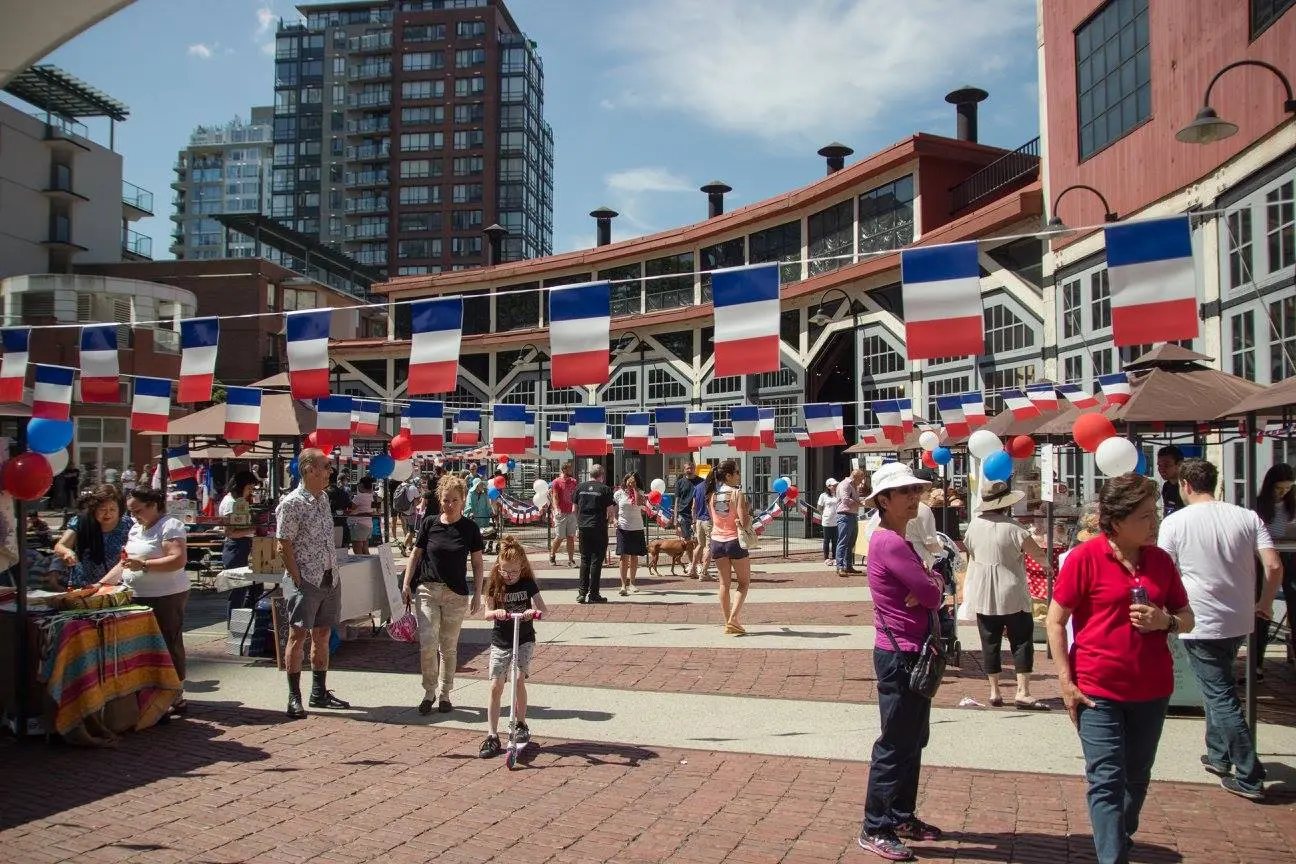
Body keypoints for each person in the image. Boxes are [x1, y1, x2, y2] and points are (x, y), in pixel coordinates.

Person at [1046, 473, 1194, 864]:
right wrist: (1065, 678)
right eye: (1145, 516)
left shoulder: (1160, 561)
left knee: (1137, 777)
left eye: (1155, 513)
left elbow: (1187, 616)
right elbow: (1055, 620)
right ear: (1117, 520)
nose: (1155, 522)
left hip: (1152, 687)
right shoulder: (1085, 558)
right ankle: (1112, 856)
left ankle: (1118, 834)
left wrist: (1167, 622)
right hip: (1097, 689)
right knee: (1106, 779)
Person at [1159, 458, 1281, 801]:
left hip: (1199, 617)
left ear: (1185, 484)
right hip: (1239, 616)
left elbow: (1164, 570)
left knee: (1219, 693)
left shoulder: (1176, 522)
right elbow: (1273, 565)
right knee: (1219, 685)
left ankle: (1248, 771)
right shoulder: (1246, 516)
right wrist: (1266, 602)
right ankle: (1218, 754)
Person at [857, 463, 944, 861]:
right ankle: (875, 825)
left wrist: (932, 584)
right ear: (883, 501)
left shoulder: (898, 537)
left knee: (912, 739)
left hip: (913, 649)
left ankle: (901, 814)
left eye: (915, 490)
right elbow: (930, 593)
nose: (913, 497)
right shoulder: (889, 542)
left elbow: (933, 586)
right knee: (895, 742)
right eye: (904, 491)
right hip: (900, 653)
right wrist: (932, 585)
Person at [99, 487, 191, 713]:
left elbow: (177, 559)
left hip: (166, 596)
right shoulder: (136, 528)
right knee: (141, 646)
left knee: (167, 642)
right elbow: (125, 562)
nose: (134, 516)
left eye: (138, 511)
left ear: (153, 505)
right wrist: (102, 585)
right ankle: (150, 691)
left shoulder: (170, 525)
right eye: (131, 512)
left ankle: (175, 693)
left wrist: (145, 565)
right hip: (136, 595)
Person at [962, 480, 1052, 710]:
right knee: (1021, 640)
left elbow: (970, 551)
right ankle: (1023, 691)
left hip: (983, 590)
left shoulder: (974, 526)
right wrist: (1047, 566)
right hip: (1011, 589)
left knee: (989, 641)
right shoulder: (1014, 528)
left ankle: (994, 690)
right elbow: (1038, 555)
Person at [402, 473, 485, 715]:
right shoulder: (429, 523)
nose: (449, 505)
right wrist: (407, 583)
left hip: (456, 594)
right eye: (446, 500)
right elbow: (415, 555)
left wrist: (479, 593)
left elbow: (478, 563)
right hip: (428, 590)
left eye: (454, 500)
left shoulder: (470, 528)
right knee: (428, 642)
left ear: (462, 501)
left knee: (448, 647)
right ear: (440, 499)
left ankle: (445, 693)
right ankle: (429, 692)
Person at [277, 448, 351, 719]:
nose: (330, 471)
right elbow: (283, 544)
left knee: (322, 634)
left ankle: (318, 691)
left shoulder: (322, 499)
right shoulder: (292, 503)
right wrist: (297, 578)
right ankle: (293, 696)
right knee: (297, 636)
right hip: (306, 579)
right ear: (309, 469)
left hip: (329, 577)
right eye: (326, 466)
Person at [478, 535, 549, 758]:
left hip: (524, 638)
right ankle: (491, 734)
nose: (509, 577)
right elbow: (486, 612)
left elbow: (543, 610)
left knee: (518, 679)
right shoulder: (494, 585)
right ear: (498, 567)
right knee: (496, 686)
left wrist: (533, 612)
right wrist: (494, 613)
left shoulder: (528, 584)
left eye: (514, 572)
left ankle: (520, 724)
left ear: (522, 568)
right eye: (505, 571)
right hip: (501, 640)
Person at [1253, 462, 1296, 678]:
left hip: (1290, 557)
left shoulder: (1292, 505)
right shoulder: (1258, 506)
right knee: (1262, 608)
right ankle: (1257, 662)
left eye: (1288, 488)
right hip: (1264, 560)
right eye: (1279, 489)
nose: (1283, 493)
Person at [54, 485, 133, 588]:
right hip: (85, 585)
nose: (107, 513)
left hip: (117, 584)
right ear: (94, 508)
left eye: (112, 509)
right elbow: (60, 546)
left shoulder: (127, 524)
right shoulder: (81, 522)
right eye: (103, 509)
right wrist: (67, 552)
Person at [706, 459, 753, 635]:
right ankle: (733, 619)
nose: (739, 475)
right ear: (728, 475)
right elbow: (743, 521)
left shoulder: (712, 495)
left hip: (717, 541)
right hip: (734, 541)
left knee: (724, 584)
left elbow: (713, 519)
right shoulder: (736, 494)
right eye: (737, 472)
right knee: (743, 582)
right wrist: (747, 509)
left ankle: (728, 622)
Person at [575, 464, 615, 603]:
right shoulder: (605, 489)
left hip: (583, 526)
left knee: (585, 559)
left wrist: (579, 523)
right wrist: (609, 521)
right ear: (602, 475)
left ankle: (582, 593)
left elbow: (575, 508)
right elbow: (610, 511)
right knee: (596, 561)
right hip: (598, 526)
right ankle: (594, 593)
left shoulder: (580, 488)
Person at [219, 470, 259, 569]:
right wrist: (251, 530)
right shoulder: (231, 503)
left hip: (240, 547)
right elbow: (229, 533)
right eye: (249, 488)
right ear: (240, 487)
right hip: (235, 548)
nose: (250, 492)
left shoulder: (237, 501)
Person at [614, 473, 647, 595]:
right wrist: (614, 519)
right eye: (629, 481)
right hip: (623, 527)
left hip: (636, 527)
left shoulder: (641, 492)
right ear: (625, 480)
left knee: (634, 556)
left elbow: (638, 503)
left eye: (633, 482)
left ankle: (632, 583)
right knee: (624, 556)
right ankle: (623, 585)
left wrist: (635, 489)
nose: (630, 483)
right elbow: (615, 509)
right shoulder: (619, 493)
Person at [548, 461, 579, 567]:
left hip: (571, 512)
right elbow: (555, 496)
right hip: (561, 512)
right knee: (560, 536)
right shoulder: (556, 482)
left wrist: (576, 508)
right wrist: (556, 509)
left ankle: (571, 560)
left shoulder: (574, 481)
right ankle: (552, 555)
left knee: (570, 536)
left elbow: (575, 496)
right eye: (570, 468)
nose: (571, 470)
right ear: (564, 469)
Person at [835, 468, 865, 576]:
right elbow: (845, 500)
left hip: (852, 515)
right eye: (860, 479)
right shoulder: (845, 484)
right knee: (843, 542)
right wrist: (859, 503)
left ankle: (848, 565)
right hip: (844, 515)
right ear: (855, 477)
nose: (861, 482)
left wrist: (860, 501)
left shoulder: (853, 486)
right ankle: (840, 567)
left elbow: (853, 500)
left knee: (851, 542)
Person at [690, 472, 715, 580]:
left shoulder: (698, 487)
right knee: (708, 547)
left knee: (700, 545)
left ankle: (692, 569)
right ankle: (704, 573)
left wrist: (694, 521)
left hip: (699, 520)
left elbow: (693, 506)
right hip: (709, 520)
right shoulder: (713, 488)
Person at [348, 476, 376, 555]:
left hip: (359, 524)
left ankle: (360, 565)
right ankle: (368, 565)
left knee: (357, 548)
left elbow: (352, 508)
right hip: (368, 525)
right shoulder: (371, 496)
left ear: (361, 486)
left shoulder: (358, 497)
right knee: (365, 548)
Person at [1156, 445, 1185, 517]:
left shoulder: (1187, 488)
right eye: (1159, 465)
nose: (1162, 469)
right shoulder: (1166, 486)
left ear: (1179, 464)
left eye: (1166, 465)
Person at [673, 462, 698, 543]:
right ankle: (690, 556)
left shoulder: (701, 482)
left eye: (691, 468)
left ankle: (696, 556)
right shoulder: (679, 483)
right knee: (687, 541)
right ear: (684, 470)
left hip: (698, 515)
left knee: (698, 541)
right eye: (687, 468)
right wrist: (675, 518)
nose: (690, 470)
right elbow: (677, 501)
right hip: (683, 515)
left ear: (695, 469)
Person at [818, 478, 839, 568]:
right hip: (827, 521)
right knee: (827, 540)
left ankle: (834, 557)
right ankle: (826, 558)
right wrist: (823, 515)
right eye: (833, 485)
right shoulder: (823, 495)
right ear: (828, 486)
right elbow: (819, 507)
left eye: (835, 485)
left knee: (835, 540)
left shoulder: (838, 494)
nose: (834, 487)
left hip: (836, 520)